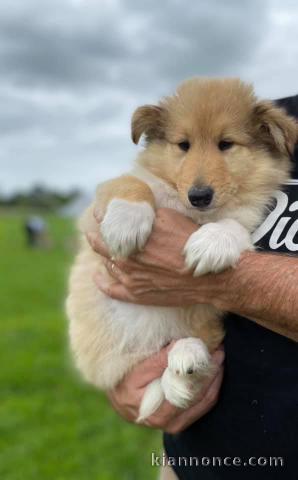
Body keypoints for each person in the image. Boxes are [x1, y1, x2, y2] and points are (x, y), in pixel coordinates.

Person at [87, 95, 298, 480]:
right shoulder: (264, 111)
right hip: (190, 460)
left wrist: (231, 280)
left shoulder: (268, 133)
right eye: (183, 145)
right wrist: (126, 375)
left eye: (226, 145)